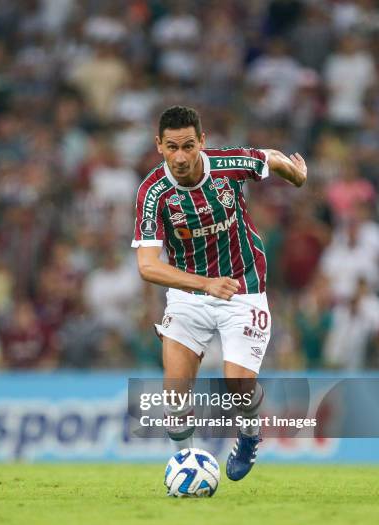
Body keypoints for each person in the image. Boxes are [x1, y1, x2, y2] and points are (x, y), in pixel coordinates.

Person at [132, 106, 307, 482]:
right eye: (172, 147)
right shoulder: (153, 193)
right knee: (175, 394)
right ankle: (186, 469)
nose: (181, 157)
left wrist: (297, 175)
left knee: (239, 386)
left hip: (243, 286)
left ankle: (248, 433)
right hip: (188, 294)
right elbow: (147, 266)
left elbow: (270, 158)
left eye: (189, 146)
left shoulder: (228, 165)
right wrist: (204, 284)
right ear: (159, 146)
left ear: (202, 143)